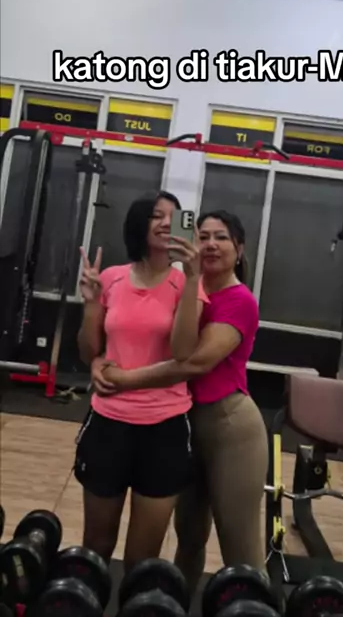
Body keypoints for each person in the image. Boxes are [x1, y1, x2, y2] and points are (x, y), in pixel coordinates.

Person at [97, 210, 269, 594]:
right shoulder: (183, 287)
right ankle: (175, 604)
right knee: (189, 538)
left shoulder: (239, 300)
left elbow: (194, 363)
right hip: (183, 424)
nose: (210, 245)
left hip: (229, 426)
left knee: (241, 549)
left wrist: (124, 381)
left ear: (239, 249)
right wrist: (99, 359)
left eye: (221, 237)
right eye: (203, 236)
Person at [74, 190, 203, 572]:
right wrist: (91, 303)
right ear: (138, 224)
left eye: (173, 217)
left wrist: (192, 278)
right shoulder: (111, 278)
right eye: (156, 215)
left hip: (164, 427)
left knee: (141, 558)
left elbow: (183, 352)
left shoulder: (186, 284)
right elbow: (89, 352)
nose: (166, 223)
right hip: (108, 422)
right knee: (96, 545)